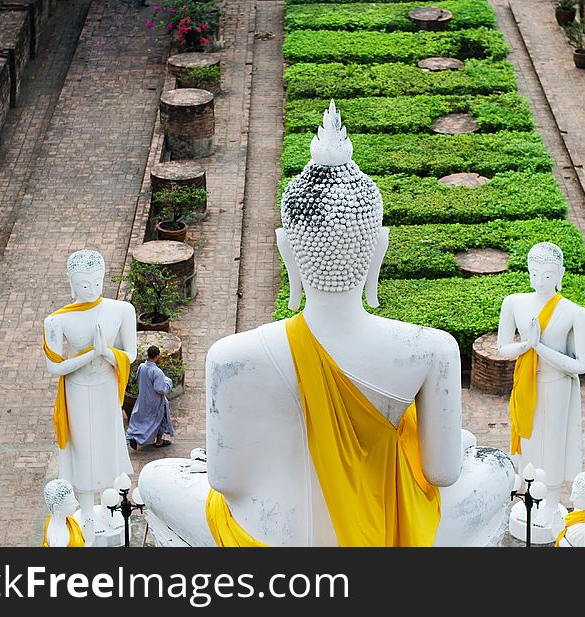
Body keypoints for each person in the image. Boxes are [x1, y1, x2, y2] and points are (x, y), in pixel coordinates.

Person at [137, 101, 515, 547]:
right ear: (378, 248)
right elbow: (442, 472)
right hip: (382, 528)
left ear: (285, 249)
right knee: (494, 467)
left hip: (270, 537)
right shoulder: (431, 349)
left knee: (157, 478)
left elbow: (226, 481)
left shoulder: (232, 356)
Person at [496, 241, 585, 531]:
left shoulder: (576, 313)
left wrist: (540, 349)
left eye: (548, 275)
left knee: (552, 444)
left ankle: (551, 503)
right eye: (535, 274)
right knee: (527, 442)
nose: (540, 281)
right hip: (526, 386)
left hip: (557, 386)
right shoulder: (514, 302)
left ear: (561, 274)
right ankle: (528, 493)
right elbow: (503, 347)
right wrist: (527, 345)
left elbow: (581, 365)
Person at [43, 249, 136, 544]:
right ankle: (86, 512)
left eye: (96, 283)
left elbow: (129, 354)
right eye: (83, 284)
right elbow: (53, 366)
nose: (91, 290)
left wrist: (105, 352)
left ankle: (110, 503)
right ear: (71, 284)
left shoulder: (121, 310)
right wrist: (88, 356)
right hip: (77, 389)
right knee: (82, 449)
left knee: (108, 443)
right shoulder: (57, 321)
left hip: (107, 386)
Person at [126, 346, 175, 449]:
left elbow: (139, 379)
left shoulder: (142, 367)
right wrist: (168, 383)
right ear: (157, 356)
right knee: (158, 420)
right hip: (155, 401)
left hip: (143, 398)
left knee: (143, 420)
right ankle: (157, 441)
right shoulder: (157, 372)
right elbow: (160, 389)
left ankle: (135, 437)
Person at [42, 479, 85, 548]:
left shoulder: (54, 517)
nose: (77, 504)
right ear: (57, 508)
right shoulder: (58, 541)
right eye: (71, 503)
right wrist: (89, 542)